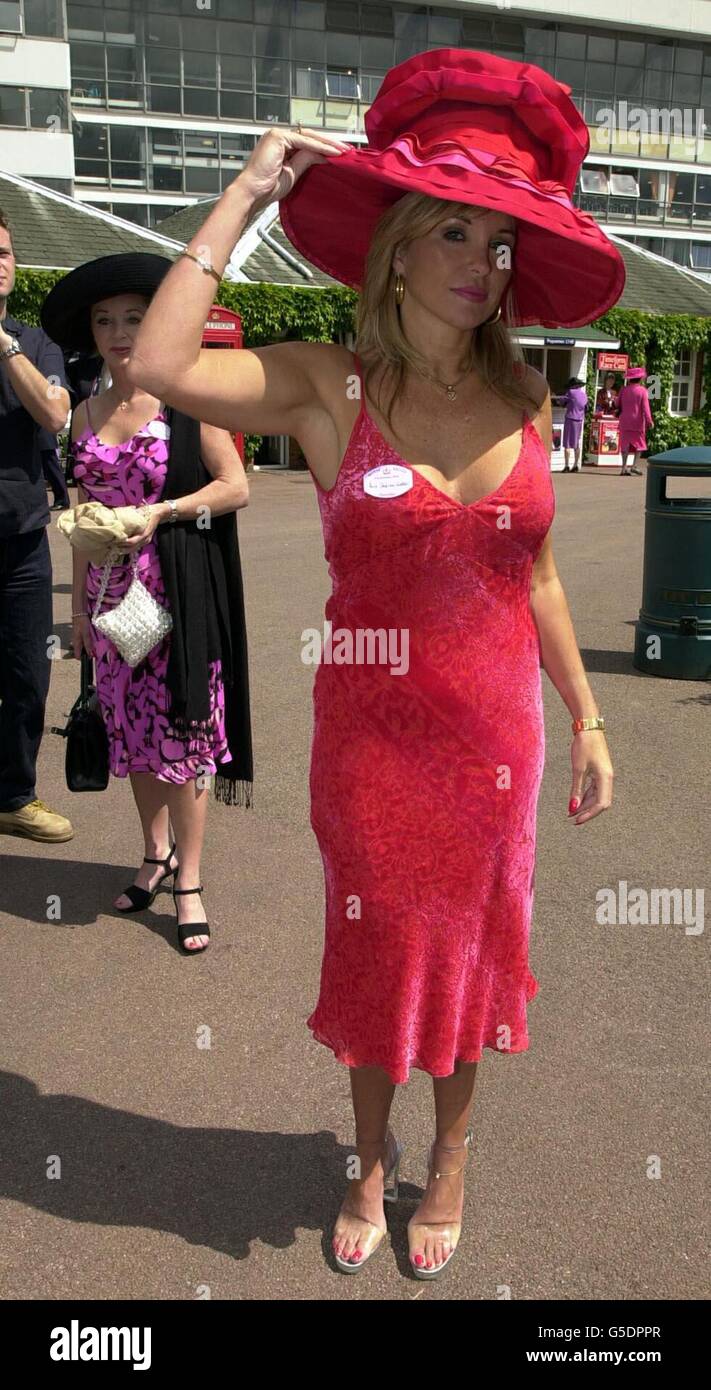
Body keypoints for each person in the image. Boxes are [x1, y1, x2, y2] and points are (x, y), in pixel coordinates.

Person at [126, 48, 618, 1275]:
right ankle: (367, 1157)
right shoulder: (323, 387)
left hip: (499, 739)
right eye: (452, 233)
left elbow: (540, 577)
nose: (480, 264)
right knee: (380, 943)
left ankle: (448, 1158)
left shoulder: (518, 393)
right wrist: (242, 197)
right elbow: (160, 366)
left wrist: (592, 717)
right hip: (376, 744)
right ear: (396, 246)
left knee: (475, 951)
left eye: (498, 243)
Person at [40, 253, 254, 953]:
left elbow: (234, 487)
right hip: (110, 609)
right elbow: (80, 516)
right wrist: (76, 615)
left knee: (186, 743)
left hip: (181, 603)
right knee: (133, 743)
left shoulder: (189, 400)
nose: (119, 331)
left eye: (134, 317)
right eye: (105, 321)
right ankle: (154, 853)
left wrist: (162, 512)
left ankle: (188, 880)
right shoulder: (82, 412)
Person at [0, 209, 74, 844]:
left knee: (29, 675)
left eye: (3, 252)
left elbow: (55, 413)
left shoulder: (35, 343)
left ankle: (15, 795)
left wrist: (3, 345)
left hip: (22, 541)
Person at [616, 366, 653, 476]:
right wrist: (649, 420)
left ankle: (623, 467)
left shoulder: (623, 390)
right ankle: (634, 466)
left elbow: (617, 404)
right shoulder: (642, 391)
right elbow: (646, 408)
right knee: (640, 444)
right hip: (637, 422)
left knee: (625, 445)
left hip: (624, 421)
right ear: (640, 378)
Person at [553, 376, 588, 471]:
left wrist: (554, 397)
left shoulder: (570, 392)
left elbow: (561, 402)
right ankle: (576, 465)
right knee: (576, 443)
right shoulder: (584, 394)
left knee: (567, 444)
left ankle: (566, 465)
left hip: (570, 419)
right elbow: (586, 408)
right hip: (579, 420)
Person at [38, 427, 71, 511]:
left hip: (43, 439)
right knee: (52, 471)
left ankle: (62, 501)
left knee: (53, 471)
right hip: (43, 439)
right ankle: (62, 500)